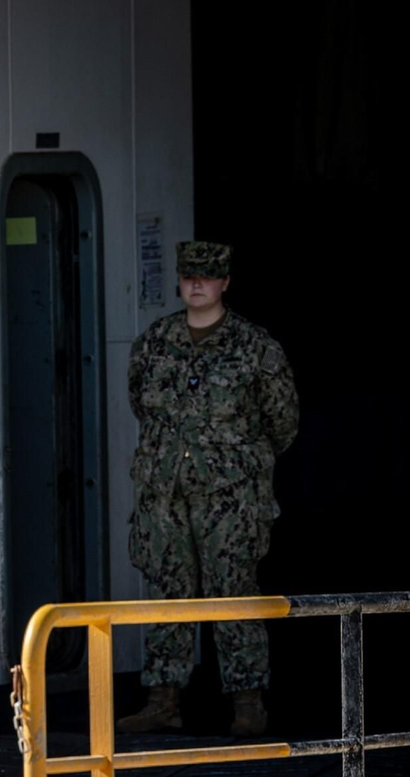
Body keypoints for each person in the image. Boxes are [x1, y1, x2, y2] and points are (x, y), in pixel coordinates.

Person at [121, 241, 299, 736]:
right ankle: (164, 700)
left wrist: (237, 461)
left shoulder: (254, 346)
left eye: (207, 276)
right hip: (166, 493)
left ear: (224, 282)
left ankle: (248, 702)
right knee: (168, 592)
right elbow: (142, 404)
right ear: (179, 282)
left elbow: (282, 421)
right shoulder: (155, 342)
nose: (196, 284)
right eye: (188, 276)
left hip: (231, 498)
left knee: (233, 591)